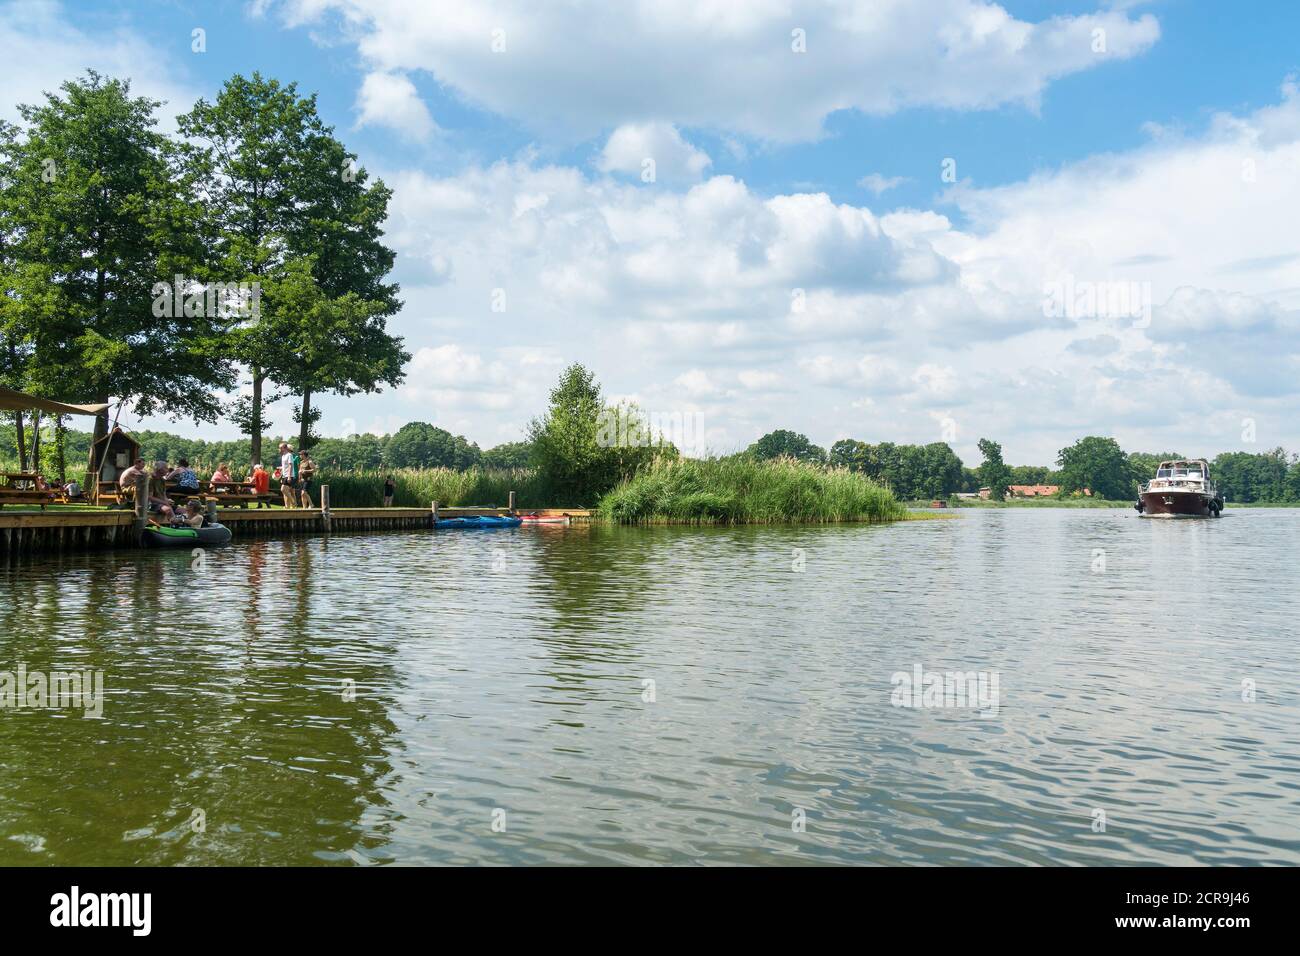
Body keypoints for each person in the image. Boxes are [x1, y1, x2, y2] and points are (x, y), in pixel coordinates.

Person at [278, 442, 298, 508]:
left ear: (285, 448)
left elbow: (290, 465)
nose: (279, 449)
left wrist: (289, 476)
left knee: (283, 489)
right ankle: (288, 506)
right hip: (284, 475)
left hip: (289, 475)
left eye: (281, 448)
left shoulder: (289, 455)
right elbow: (285, 466)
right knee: (285, 491)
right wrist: (280, 472)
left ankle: (293, 502)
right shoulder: (283, 456)